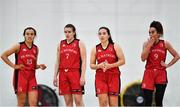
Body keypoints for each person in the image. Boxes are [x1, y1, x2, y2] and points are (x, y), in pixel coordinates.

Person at [1, 27, 47, 106]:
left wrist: (39, 66)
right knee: (21, 103)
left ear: (34, 36)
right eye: (27, 34)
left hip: (32, 78)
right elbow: (3, 55)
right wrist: (14, 66)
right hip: (21, 77)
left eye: (32, 34)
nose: (29, 36)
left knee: (33, 102)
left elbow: (33, 65)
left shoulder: (36, 48)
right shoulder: (19, 46)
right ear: (24, 35)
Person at [141, 21, 180, 106]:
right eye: (149, 32)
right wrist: (149, 45)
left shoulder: (165, 44)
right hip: (149, 73)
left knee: (158, 101)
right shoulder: (146, 44)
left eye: (153, 32)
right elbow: (143, 59)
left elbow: (177, 56)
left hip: (160, 73)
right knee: (147, 102)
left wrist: (168, 65)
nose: (150, 34)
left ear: (159, 33)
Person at [90, 26, 125, 106]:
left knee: (113, 104)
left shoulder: (115, 46)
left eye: (104, 33)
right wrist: (99, 65)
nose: (102, 35)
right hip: (100, 77)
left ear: (108, 35)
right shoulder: (95, 48)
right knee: (103, 103)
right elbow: (91, 65)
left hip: (113, 77)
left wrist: (110, 65)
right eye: (100, 34)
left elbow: (122, 61)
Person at [53, 24, 86, 107]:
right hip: (63, 74)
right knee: (68, 102)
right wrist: (55, 76)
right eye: (65, 32)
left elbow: (84, 60)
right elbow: (58, 61)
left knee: (78, 101)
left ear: (74, 32)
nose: (67, 34)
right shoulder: (60, 44)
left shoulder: (79, 43)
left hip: (75, 73)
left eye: (69, 32)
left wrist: (82, 76)